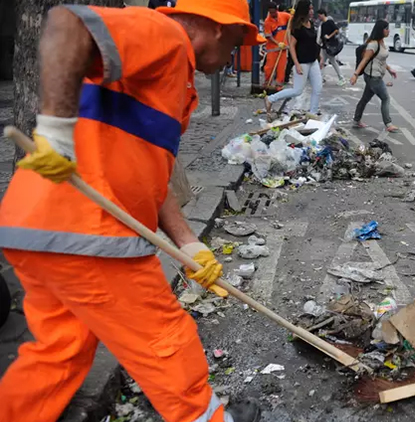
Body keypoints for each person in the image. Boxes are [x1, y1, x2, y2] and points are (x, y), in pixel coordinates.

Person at [0, 1, 267, 421]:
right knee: (166, 340)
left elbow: (151, 180)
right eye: (237, 41)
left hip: (37, 227)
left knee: (59, 353)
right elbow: (66, 22)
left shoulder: (174, 78)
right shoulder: (165, 35)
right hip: (89, 231)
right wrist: (55, 132)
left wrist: (189, 244)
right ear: (217, 28)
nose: (236, 54)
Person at [264, 0, 323, 116]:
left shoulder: (311, 24)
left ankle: (313, 113)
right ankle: (271, 99)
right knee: (297, 90)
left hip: (313, 61)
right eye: (310, 9)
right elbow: (291, 46)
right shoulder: (297, 27)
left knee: (318, 88)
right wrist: (296, 64)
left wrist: (319, 56)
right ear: (304, 10)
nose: (312, 11)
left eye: (312, 8)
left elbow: (313, 42)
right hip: (302, 62)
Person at [350, 20, 400, 133]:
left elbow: (380, 60)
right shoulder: (373, 44)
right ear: (380, 30)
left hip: (375, 76)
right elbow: (365, 60)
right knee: (385, 98)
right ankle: (388, 123)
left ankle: (356, 120)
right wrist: (355, 75)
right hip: (373, 77)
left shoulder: (382, 43)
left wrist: (389, 69)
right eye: (386, 28)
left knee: (365, 99)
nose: (388, 30)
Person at [263, 2, 292, 86]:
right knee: (269, 68)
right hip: (272, 49)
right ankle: (267, 83)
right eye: (270, 12)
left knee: (281, 68)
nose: (272, 14)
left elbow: (292, 20)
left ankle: (279, 85)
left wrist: (292, 14)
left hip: (283, 49)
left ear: (277, 10)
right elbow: (268, 36)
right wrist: (278, 43)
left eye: (273, 12)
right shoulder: (267, 21)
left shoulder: (284, 16)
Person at [317, 8, 344, 86]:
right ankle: (321, 78)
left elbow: (336, 30)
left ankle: (341, 78)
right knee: (322, 62)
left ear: (323, 14)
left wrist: (329, 36)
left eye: (319, 15)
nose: (319, 17)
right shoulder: (322, 24)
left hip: (329, 46)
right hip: (324, 46)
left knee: (332, 62)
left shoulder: (329, 22)